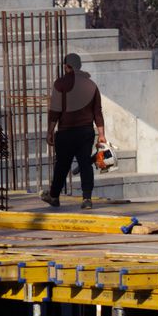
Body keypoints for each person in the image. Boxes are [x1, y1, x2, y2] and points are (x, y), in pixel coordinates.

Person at [41, 53, 105, 210]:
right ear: (80, 66)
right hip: (86, 132)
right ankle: (87, 198)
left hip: (66, 132)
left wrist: (50, 131)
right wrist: (102, 134)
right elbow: (98, 111)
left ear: (66, 67)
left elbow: (55, 111)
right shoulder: (91, 85)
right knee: (85, 164)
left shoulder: (60, 84)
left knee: (62, 165)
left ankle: (54, 196)